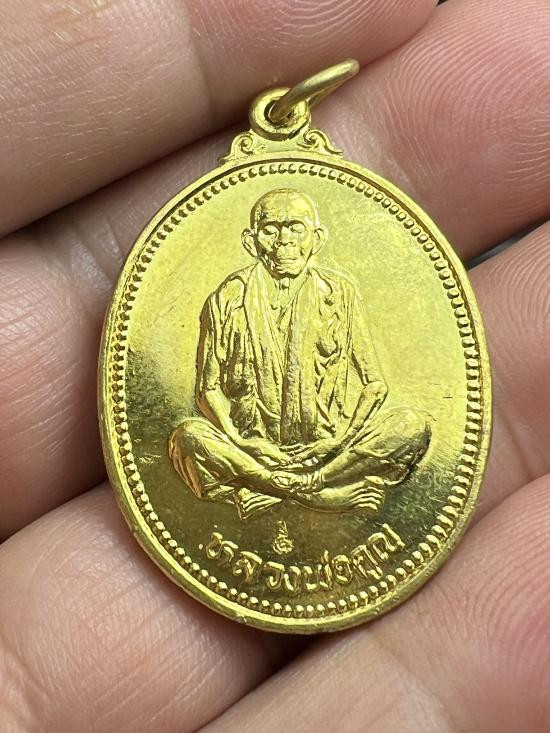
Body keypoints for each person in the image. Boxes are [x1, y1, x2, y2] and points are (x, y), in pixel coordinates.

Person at [169, 189, 430, 518]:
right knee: (187, 438)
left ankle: (282, 488)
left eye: (295, 228)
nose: (284, 241)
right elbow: (207, 390)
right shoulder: (227, 297)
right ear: (251, 241)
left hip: (329, 452)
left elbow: (375, 384)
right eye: (270, 230)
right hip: (253, 453)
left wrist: (338, 440)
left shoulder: (340, 293)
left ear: (316, 239)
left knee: (410, 425)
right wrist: (241, 441)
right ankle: (324, 496)